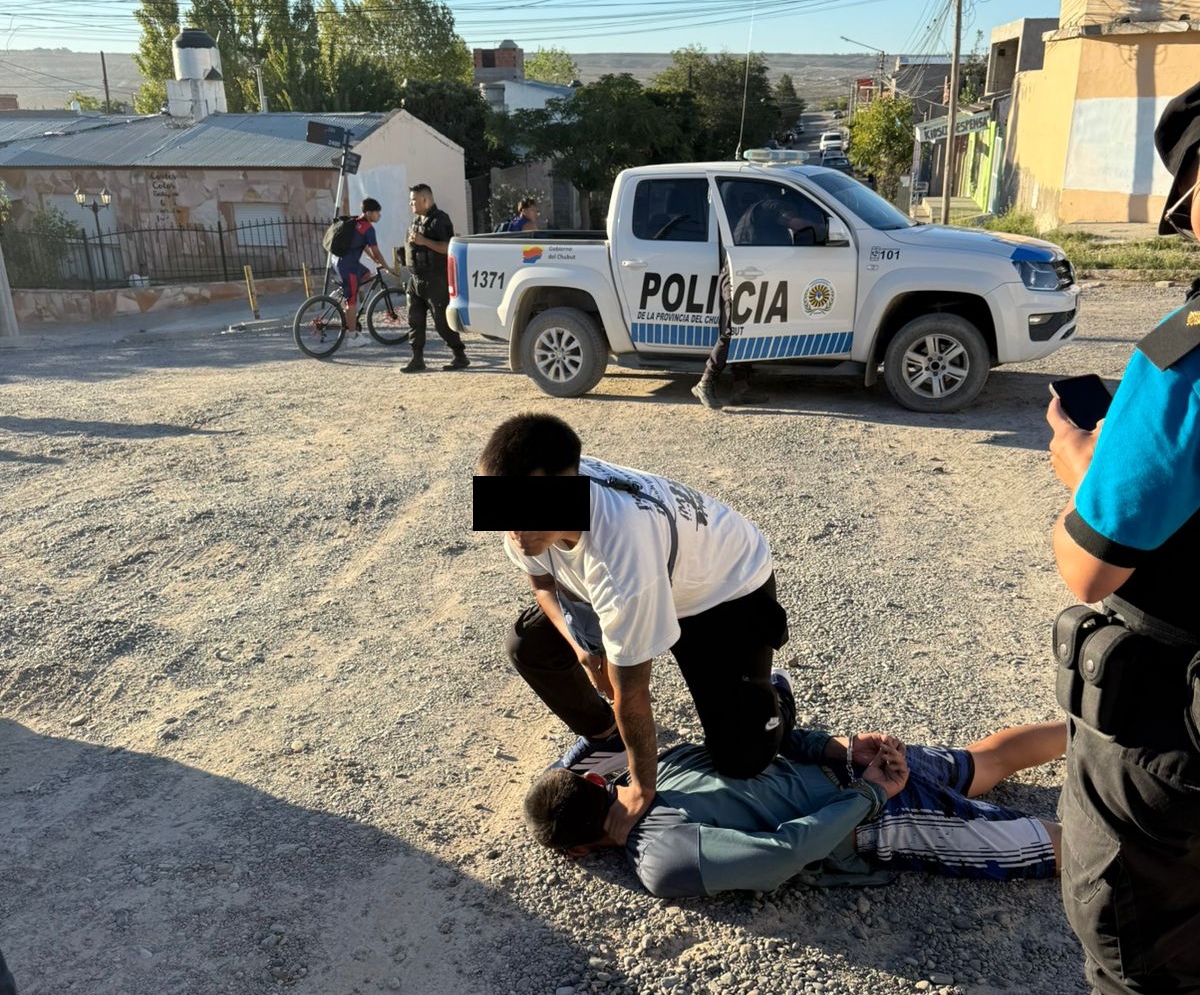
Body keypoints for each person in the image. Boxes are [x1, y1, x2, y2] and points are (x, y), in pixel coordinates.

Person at [1046, 79, 1200, 995]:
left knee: (1135, 957)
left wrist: (1079, 461)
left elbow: (1090, 563)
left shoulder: (1184, 354)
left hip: (1169, 739)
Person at [480, 413, 792, 844]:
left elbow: (633, 693)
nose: (516, 533)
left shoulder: (621, 555)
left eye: (528, 516)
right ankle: (604, 738)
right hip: (652, 569)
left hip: (721, 586)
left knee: (743, 760)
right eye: (506, 512)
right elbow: (541, 582)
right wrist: (583, 648)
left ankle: (770, 694)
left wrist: (642, 788)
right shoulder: (527, 507)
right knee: (529, 644)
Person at [524, 703, 1066, 897]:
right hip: (858, 768)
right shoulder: (662, 766)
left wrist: (872, 793)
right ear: (597, 781)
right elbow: (767, 740)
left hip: (877, 809)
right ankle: (1105, 731)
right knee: (986, 760)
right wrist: (847, 752)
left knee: (1051, 847)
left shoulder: (661, 860)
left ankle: (1142, 820)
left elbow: (786, 852)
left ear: (579, 851)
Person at [690, 245, 767, 410]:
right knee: (733, 330)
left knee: (749, 330)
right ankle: (705, 382)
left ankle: (741, 388)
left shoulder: (763, 220)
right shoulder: (750, 220)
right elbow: (740, 249)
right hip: (738, 273)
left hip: (755, 272)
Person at [403, 183, 469, 373]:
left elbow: (449, 246)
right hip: (416, 280)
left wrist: (424, 242)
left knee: (441, 322)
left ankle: (459, 355)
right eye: (410, 200)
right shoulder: (416, 221)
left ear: (426, 199)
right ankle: (417, 359)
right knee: (415, 320)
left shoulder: (440, 220)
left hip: (435, 280)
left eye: (414, 200)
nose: (411, 204)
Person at [336, 197, 396, 348]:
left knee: (366, 273)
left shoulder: (357, 222)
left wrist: (372, 259)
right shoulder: (368, 228)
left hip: (340, 262)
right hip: (348, 266)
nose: (379, 215)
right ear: (369, 213)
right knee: (352, 302)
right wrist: (387, 267)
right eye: (377, 212)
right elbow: (376, 251)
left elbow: (362, 245)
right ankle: (352, 337)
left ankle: (343, 292)